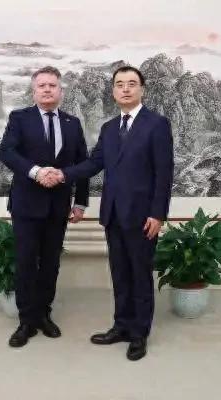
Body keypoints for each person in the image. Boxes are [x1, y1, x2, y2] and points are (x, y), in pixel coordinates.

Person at [41, 65, 174, 360]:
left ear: (142, 89)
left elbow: (164, 174)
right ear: (113, 91)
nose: (125, 88)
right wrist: (62, 174)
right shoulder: (109, 128)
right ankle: (121, 326)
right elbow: (93, 164)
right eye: (119, 84)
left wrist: (158, 214)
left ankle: (139, 334)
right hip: (113, 214)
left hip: (143, 216)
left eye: (131, 83)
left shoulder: (157, 124)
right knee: (120, 274)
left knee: (140, 275)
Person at [0, 66, 89, 348]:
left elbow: (82, 163)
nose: (47, 89)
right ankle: (26, 321)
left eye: (52, 85)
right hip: (26, 205)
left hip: (58, 206)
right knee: (26, 263)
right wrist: (36, 172)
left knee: (51, 263)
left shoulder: (73, 123)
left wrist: (81, 202)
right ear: (34, 91)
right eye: (42, 85)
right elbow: (7, 152)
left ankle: (44, 315)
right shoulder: (19, 118)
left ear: (61, 90)